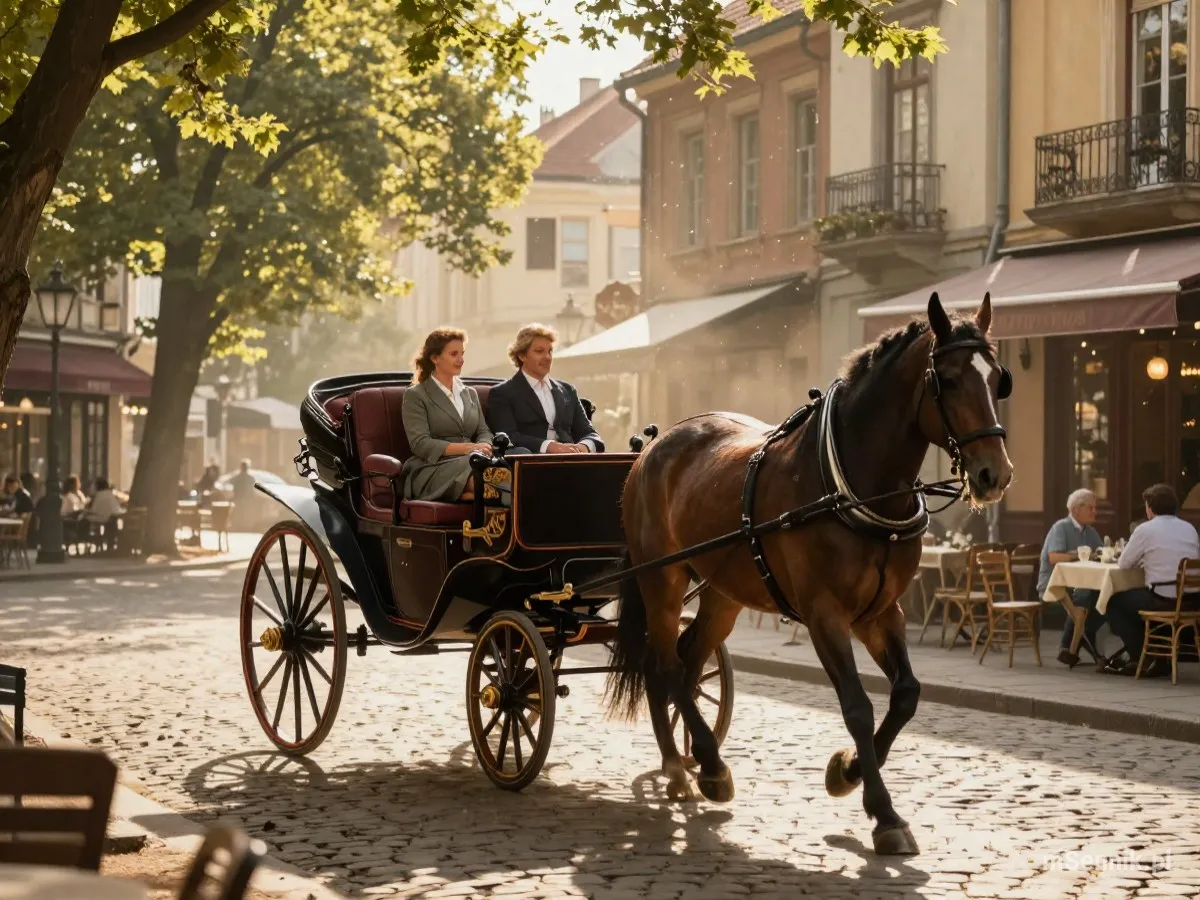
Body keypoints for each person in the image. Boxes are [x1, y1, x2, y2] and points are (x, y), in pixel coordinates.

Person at [1103, 484, 1200, 677]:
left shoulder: (1145, 530)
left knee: (1114, 603)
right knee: (1141, 599)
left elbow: (1124, 563)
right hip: (1191, 600)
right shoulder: (1189, 528)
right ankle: (1159, 657)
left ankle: (1141, 657)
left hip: (1164, 599)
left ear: (1150, 507)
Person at [401, 328, 495, 503]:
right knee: (488, 479)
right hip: (433, 468)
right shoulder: (416, 395)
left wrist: (484, 444)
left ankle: (471, 496)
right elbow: (420, 444)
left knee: (501, 472)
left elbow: (484, 430)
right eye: (454, 354)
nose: (461, 360)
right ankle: (474, 495)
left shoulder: (470, 393)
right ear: (435, 358)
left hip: (474, 461)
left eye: (462, 353)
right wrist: (468, 449)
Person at [485, 323, 605, 454]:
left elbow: (590, 434)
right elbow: (508, 437)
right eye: (539, 351)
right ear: (522, 355)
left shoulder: (568, 390)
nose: (547, 357)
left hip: (573, 461)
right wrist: (548, 446)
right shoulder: (503, 393)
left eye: (550, 351)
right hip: (532, 462)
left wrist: (584, 447)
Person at [1037, 489, 1104, 667]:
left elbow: (1101, 553)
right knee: (1085, 596)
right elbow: (1054, 557)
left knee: (1104, 598)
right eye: (1090, 508)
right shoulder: (1061, 527)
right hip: (1055, 584)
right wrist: (1080, 553)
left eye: (1095, 508)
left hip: (1081, 583)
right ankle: (1081, 648)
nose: (1094, 512)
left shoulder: (1090, 531)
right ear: (1075, 510)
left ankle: (1070, 646)